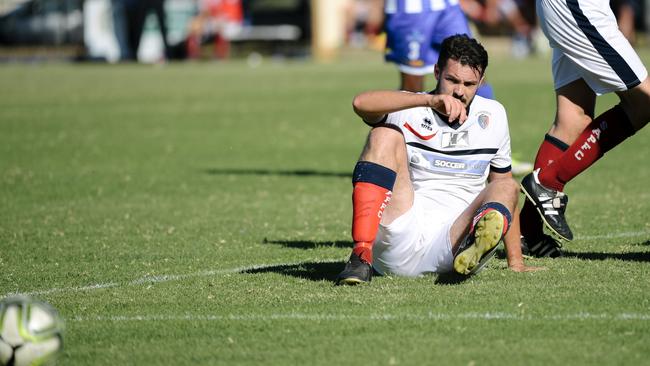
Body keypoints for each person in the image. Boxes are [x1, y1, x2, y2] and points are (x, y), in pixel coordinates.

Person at [336, 34, 541, 285]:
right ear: (436, 72)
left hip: (455, 239)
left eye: (469, 84)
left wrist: (516, 262)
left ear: (481, 81)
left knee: (508, 186)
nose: (459, 91)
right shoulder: (411, 107)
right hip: (400, 234)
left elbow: (505, 190)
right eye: (452, 80)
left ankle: (474, 247)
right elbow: (360, 103)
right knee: (383, 134)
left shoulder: (494, 115)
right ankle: (360, 255)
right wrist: (429, 100)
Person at [518, 0, 649, 256]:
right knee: (644, 103)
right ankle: (548, 182)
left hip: (575, 6)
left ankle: (527, 231)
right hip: (577, 5)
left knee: (573, 120)